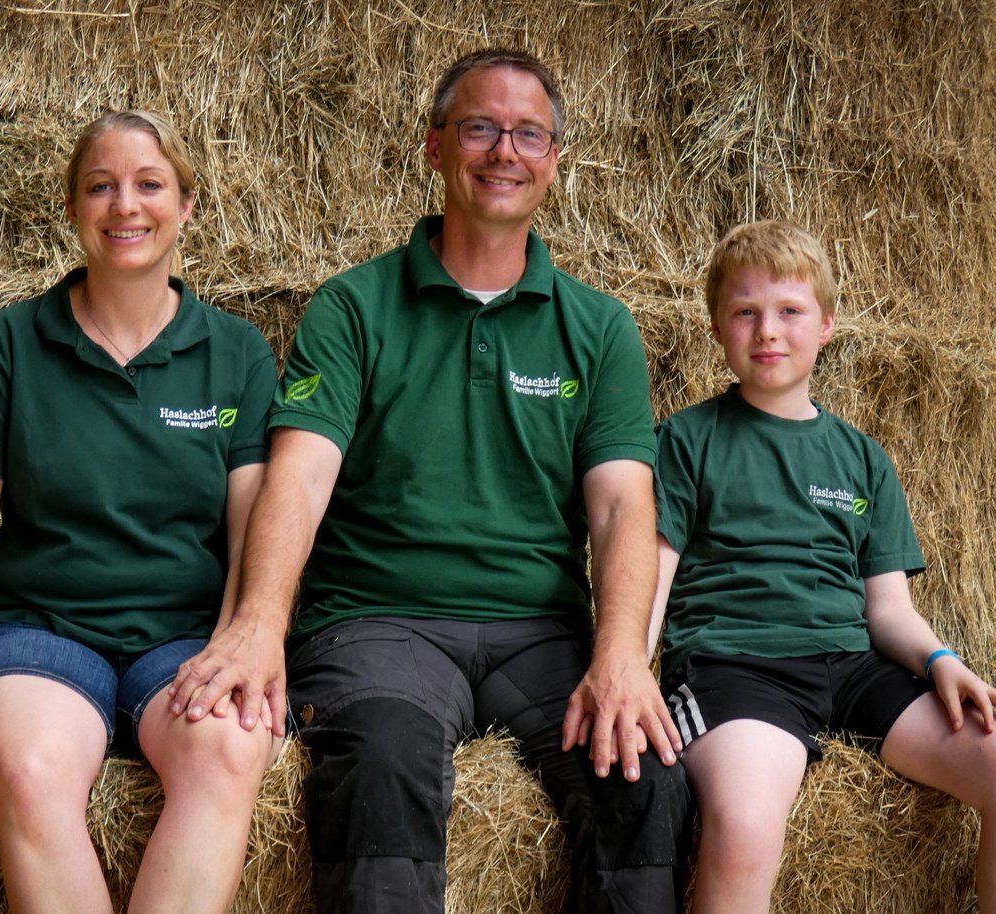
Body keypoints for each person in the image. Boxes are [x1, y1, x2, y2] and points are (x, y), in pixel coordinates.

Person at [169, 49, 692, 913]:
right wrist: (260, 627)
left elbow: (621, 504)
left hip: (537, 633)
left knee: (643, 778)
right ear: (434, 148)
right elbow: (297, 479)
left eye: (529, 134)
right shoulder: (354, 307)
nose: (503, 151)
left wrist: (621, 658)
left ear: (554, 159)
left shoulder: (599, 328)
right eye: (479, 127)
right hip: (378, 622)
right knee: (382, 762)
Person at [0, 109, 281, 914]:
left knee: (229, 751)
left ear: (188, 205)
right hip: (40, 630)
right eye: (99, 187)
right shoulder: (15, 342)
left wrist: (251, 638)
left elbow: (254, 527)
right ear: (72, 209)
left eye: (148, 185)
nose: (124, 206)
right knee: (33, 769)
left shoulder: (235, 351)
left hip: (184, 638)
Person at [649, 219, 996, 913]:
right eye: (744, 312)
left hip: (850, 666)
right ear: (717, 329)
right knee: (747, 827)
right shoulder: (683, 441)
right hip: (735, 667)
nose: (767, 331)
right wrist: (631, 672)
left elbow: (887, 609)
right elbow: (650, 583)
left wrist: (939, 660)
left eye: (789, 311)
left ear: (827, 327)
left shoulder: (861, 457)